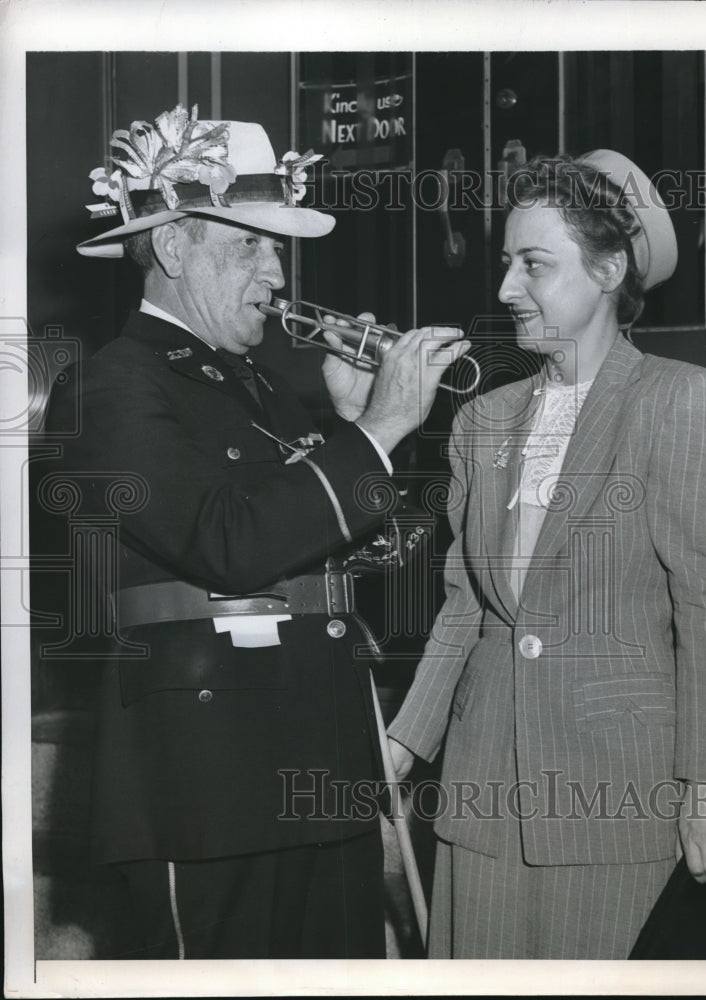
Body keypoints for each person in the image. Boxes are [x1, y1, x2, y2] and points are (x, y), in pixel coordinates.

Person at [42, 104, 468, 959]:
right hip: (209, 792)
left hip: (319, 774)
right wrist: (373, 433)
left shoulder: (263, 387)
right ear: (171, 248)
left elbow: (348, 559)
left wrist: (359, 433)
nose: (277, 273)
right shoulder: (111, 388)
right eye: (250, 244)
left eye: (278, 247)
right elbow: (226, 543)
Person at [387, 150, 706, 959]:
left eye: (534, 265)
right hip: (478, 799)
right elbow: (466, 609)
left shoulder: (683, 401)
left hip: (617, 803)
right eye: (507, 264)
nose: (508, 288)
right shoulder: (482, 420)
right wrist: (401, 745)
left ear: (609, 268)